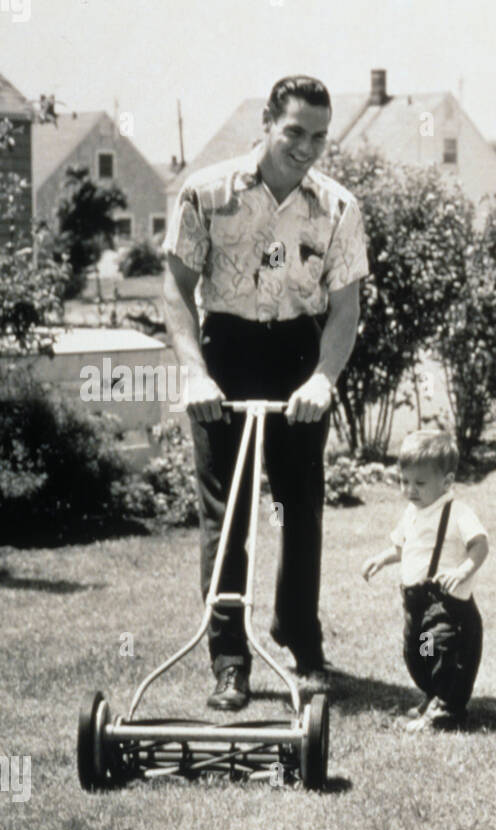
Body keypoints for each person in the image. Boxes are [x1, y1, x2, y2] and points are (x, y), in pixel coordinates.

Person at [162, 75, 369, 711]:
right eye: (294, 132)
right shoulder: (207, 192)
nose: (306, 147)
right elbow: (174, 287)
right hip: (226, 350)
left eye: (319, 136)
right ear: (267, 124)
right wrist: (195, 372)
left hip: (298, 354)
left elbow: (345, 307)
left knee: (301, 503)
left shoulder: (337, 208)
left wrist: (321, 379)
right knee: (227, 512)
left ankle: (301, 639)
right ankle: (229, 660)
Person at [362, 430, 489, 732]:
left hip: (446, 605)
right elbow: (401, 547)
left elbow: (480, 545)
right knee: (417, 653)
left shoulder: (458, 512)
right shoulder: (412, 513)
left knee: (443, 652)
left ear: (446, 482)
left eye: (419, 483)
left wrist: (462, 571)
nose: (410, 490)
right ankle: (433, 694)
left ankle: (448, 707)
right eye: (405, 481)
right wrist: (381, 558)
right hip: (416, 603)